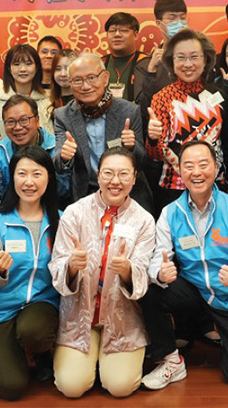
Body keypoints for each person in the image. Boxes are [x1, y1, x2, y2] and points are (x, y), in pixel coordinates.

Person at [141, 141, 228, 389]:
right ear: (180, 172)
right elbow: (156, 260)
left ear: (216, 168)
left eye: (204, 165)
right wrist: (160, 273)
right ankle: (171, 360)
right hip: (195, 293)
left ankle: (209, 332)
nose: (196, 172)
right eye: (189, 166)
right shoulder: (170, 212)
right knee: (149, 288)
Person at [48, 147, 155, 398]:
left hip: (122, 319)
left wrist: (128, 270)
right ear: (98, 174)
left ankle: (102, 363)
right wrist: (72, 266)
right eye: (108, 173)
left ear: (134, 177)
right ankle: (88, 361)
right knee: (71, 387)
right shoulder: (75, 212)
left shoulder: (144, 220)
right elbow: (57, 265)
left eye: (123, 174)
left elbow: (142, 273)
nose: (115, 181)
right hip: (78, 315)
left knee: (120, 387)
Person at [0, 145, 62, 400]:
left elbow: (67, 277)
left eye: (37, 174)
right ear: (12, 178)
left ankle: (40, 349)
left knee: (33, 330)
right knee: (10, 388)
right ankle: (13, 349)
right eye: (22, 174)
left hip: (41, 304)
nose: (29, 182)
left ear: (49, 178)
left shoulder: (61, 219)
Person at [146, 29, 228, 211]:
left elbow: (227, 143)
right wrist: (153, 139)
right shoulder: (161, 98)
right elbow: (156, 154)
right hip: (173, 190)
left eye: (194, 57)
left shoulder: (218, 95)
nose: (188, 64)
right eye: (181, 57)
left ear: (205, 60)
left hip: (216, 185)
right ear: (171, 61)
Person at [53, 53, 153, 212]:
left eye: (92, 78)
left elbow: (142, 163)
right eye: (77, 80)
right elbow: (57, 163)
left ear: (105, 78)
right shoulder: (62, 116)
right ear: (70, 84)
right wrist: (64, 156)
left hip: (129, 196)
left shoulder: (128, 111)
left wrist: (132, 147)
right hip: (86, 198)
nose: (85, 86)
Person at [0, 95, 68, 211]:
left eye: (24, 120)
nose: (18, 127)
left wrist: (60, 165)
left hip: (52, 213)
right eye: (11, 122)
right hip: (11, 216)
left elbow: (66, 191)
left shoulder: (57, 147)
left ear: (37, 121)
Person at [0, 44, 53, 144]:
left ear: (37, 67)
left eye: (28, 64)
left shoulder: (48, 99)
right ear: (9, 68)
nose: (23, 69)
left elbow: (51, 137)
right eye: (16, 64)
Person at [101, 12, 153, 108]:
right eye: (112, 31)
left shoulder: (147, 63)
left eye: (123, 30)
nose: (117, 35)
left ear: (136, 35)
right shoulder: (100, 64)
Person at [50, 48, 77, 114]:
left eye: (67, 68)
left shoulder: (85, 102)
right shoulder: (47, 104)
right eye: (58, 69)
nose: (63, 74)